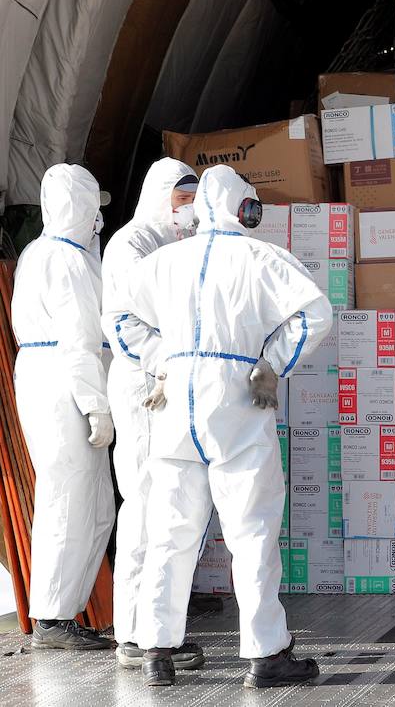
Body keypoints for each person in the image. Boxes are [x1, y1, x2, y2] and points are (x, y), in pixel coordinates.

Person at [115, 165, 333, 688]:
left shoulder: (164, 262)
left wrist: (160, 361)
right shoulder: (262, 258)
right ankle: (265, 654)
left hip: (175, 402)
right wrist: (273, 363)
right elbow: (315, 313)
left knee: (170, 533)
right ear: (245, 207)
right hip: (236, 397)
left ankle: (156, 651)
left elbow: (119, 317)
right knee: (251, 531)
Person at [99, 159, 203, 670]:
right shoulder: (131, 244)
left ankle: (160, 629)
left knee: (172, 507)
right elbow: (124, 323)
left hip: (173, 383)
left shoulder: (181, 245)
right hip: (144, 386)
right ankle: (134, 635)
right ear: (162, 197)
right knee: (142, 504)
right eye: (182, 201)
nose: (188, 210)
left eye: (193, 201)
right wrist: (169, 361)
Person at [13, 164, 115, 651]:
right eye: (94, 208)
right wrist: (98, 406)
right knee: (68, 501)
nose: (98, 219)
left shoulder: (42, 253)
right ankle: (53, 618)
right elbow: (80, 342)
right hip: (63, 383)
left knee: (93, 507)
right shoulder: (69, 262)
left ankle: (63, 612)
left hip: (47, 375)